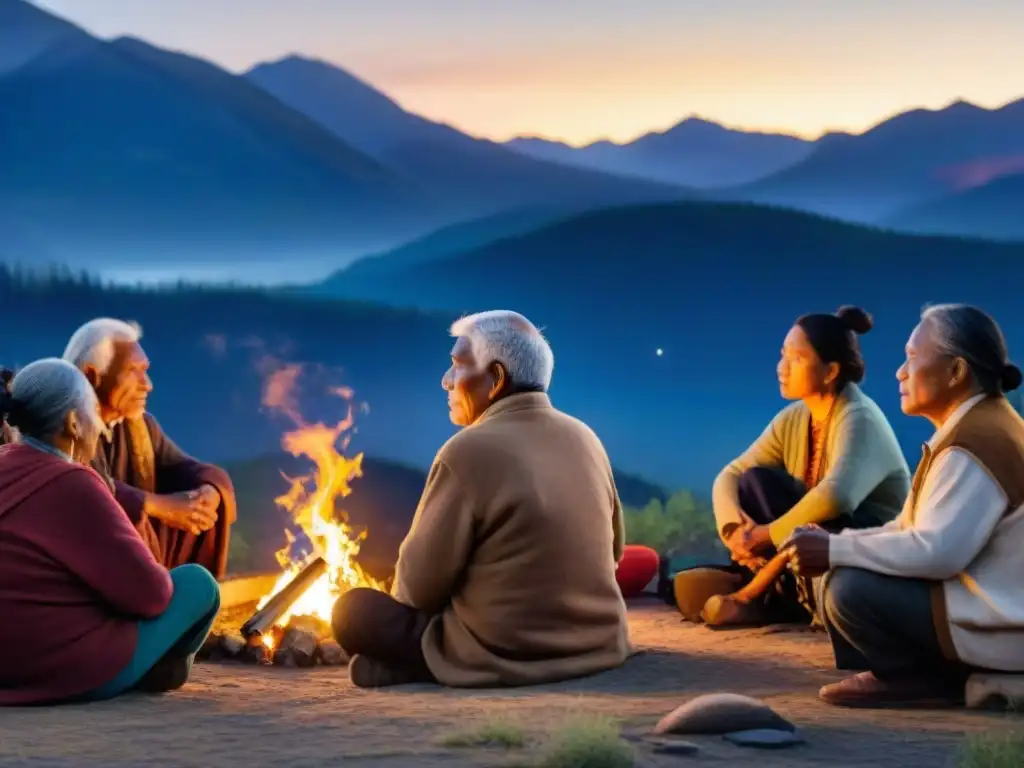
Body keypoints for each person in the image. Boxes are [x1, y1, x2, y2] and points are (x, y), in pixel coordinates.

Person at [332, 310, 632, 688]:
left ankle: (433, 667)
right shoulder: (586, 437)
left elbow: (418, 588)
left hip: (502, 651)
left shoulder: (466, 451)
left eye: (457, 366)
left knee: (353, 611)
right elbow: (615, 550)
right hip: (599, 643)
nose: (446, 382)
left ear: (495, 378)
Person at [789, 304, 1024, 708]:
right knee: (841, 568)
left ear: (956, 372)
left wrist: (834, 550)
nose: (900, 372)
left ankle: (918, 678)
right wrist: (833, 543)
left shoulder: (974, 443)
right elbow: (907, 527)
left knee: (850, 589)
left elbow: (937, 552)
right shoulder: (979, 425)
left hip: (1004, 628)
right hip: (992, 612)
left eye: (913, 358)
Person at [0, 358, 220, 705]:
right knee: (198, 584)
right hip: (60, 668)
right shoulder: (74, 483)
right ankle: (160, 668)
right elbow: (151, 595)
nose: (101, 429)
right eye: (93, 415)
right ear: (73, 423)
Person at [699, 306, 910, 626]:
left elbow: (835, 498)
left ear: (830, 372)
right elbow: (730, 474)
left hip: (862, 543)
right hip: (801, 547)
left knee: (823, 521)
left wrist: (764, 535)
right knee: (754, 480)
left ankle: (778, 596)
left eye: (796, 358)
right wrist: (735, 533)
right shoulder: (794, 418)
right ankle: (782, 591)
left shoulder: (858, 416)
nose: (782, 368)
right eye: (782, 355)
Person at [63, 318, 236, 579]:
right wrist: (158, 506)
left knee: (201, 504)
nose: (147, 384)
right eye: (133, 371)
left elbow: (181, 466)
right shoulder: (59, 423)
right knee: (125, 516)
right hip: (81, 567)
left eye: (145, 370)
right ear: (91, 376)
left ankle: (182, 600)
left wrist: (209, 492)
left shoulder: (140, 426)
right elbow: (85, 492)